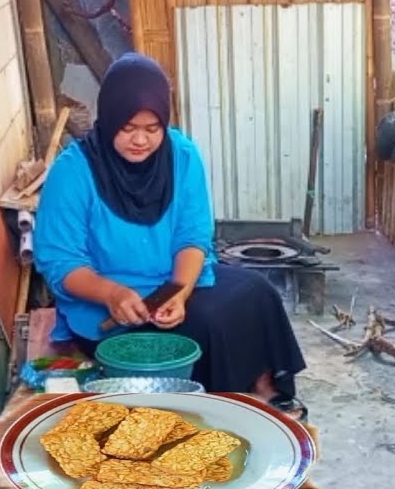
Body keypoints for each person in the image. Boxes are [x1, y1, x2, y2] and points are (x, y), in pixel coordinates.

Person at [34, 53, 309, 420]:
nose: (140, 140)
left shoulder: (182, 155)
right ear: (110, 117)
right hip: (109, 302)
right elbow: (60, 261)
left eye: (152, 128)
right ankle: (223, 416)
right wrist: (111, 294)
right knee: (207, 325)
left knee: (256, 293)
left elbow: (193, 236)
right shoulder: (74, 171)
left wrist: (180, 290)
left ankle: (263, 388)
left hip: (173, 282)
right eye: (129, 127)